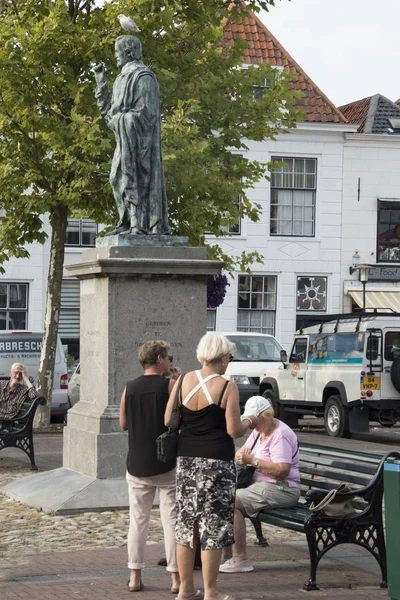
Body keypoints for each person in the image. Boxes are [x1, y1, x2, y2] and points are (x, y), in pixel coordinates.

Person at [165, 333, 258, 600]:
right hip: (217, 462)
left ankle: (184, 589)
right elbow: (233, 430)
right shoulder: (227, 387)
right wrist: (249, 420)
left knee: (186, 524)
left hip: (186, 460)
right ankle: (211, 592)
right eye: (229, 355)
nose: (230, 360)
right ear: (221, 357)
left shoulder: (183, 380)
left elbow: (168, 420)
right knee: (213, 526)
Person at [119, 341, 181, 593]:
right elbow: (178, 418)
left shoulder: (129, 388)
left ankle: (135, 576)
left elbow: (123, 423)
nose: (171, 362)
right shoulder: (169, 385)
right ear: (158, 358)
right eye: (169, 357)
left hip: (137, 463)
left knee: (138, 521)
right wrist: (179, 383)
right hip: (166, 463)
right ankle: (176, 580)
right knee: (172, 522)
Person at [94, 35, 171, 236]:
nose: (115, 56)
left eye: (117, 52)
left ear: (129, 52)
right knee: (115, 178)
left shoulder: (143, 77)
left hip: (140, 143)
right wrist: (101, 83)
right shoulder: (121, 78)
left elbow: (146, 115)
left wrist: (120, 120)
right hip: (125, 139)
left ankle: (139, 225)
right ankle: (127, 221)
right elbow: (110, 111)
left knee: (131, 178)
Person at [219, 395, 300, 574]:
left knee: (231, 503)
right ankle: (226, 557)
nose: (253, 426)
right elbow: (243, 452)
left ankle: (240, 559)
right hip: (261, 485)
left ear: (266, 417)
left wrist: (253, 461)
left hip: (283, 488)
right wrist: (241, 456)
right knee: (222, 497)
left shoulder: (280, 435)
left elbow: (282, 470)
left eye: (256, 422)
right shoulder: (258, 432)